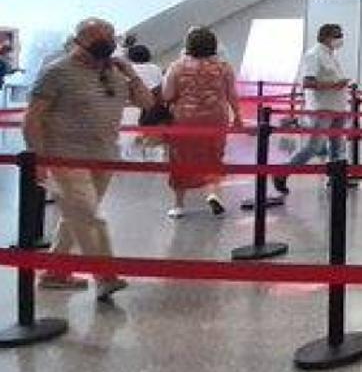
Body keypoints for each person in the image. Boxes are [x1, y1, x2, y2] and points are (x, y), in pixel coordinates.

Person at [23, 18, 153, 299]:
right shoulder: (56, 72)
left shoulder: (117, 73)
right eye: (99, 37)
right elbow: (33, 118)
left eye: (109, 36)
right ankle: (106, 276)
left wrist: (131, 74)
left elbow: (147, 103)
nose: (106, 42)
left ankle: (55, 273)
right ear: (80, 39)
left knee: (76, 216)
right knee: (88, 215)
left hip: (103, 156)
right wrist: (39, 158)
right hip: (65, 157)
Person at [162, 27, 242, 218]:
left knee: (180, 159)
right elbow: (232, 94)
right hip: (215, 117)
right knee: (213, 156)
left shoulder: (177, 66)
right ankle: (213, 194)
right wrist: (238, 116)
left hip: (185, 119)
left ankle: (179, 205)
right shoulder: (223, 67)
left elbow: (167, 94)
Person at [274, 24, 354, 195]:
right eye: (337, 35)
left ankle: (337, 179)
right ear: (326, 37)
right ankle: (283, 172)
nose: (340, 39)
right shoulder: (314, 55)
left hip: (336, 106)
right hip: (322, 107)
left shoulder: (331, 55)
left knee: (337, 145)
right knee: (314, 146)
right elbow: (308, 82)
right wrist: (334, 85)